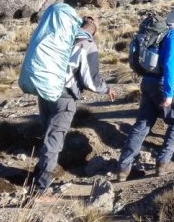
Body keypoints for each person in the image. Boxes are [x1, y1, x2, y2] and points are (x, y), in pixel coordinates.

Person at [34, 17, 115, 196]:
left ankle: (38, 174)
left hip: (44, 91)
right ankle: (40, 190)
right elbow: (90, 81)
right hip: (64, 97)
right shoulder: (87, 44)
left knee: (48, 135)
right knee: (54, 140)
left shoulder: (61, 37)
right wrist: (106, 88)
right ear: (94, 28)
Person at [118, 0, 174, 179]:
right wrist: (169, 94)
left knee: (142, 124)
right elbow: (169, 65)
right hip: (162, 83)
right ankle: (164, 163)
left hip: (147, 81)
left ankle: (123, 169)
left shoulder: (160, 31)